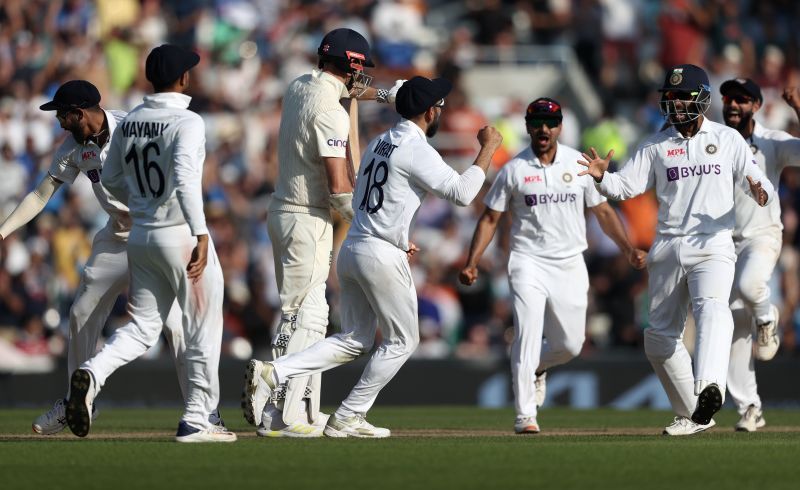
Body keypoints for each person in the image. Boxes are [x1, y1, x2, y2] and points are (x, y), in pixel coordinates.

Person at [243, 76, 503, 438]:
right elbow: (462, 193)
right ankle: (348, 415)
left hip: (353, 248)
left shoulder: (381, 141)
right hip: (380, 253)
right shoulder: (417, 149)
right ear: (430, 112)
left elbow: (373, 197)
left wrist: (397, 236)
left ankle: (276, 372)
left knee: (356, 338)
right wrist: (488, 148)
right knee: (402, 341)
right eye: (439, 107)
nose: (441, 111)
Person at [578, 64, 774, 436]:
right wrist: (603, 176)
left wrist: (760, 191)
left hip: (713, 243)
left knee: (712, 308)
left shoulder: (727, 138)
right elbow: (625, 187)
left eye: (684, 96)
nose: (677, 103)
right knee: (658, 339)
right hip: (667, 245)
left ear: (702, 98)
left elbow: (755, 179)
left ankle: (710, 386)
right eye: (672, 96)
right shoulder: (655, 144)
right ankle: (695, 413)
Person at [0, 80, 193, 436]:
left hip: (155, 232)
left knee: (177, 324)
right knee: (80, 313)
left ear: (79, 113)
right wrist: (1, 232)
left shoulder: (130, 128)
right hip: (117, 238)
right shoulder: (72, 147)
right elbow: (41, 194)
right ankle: (77, 400)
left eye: (62, 114)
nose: (58, 121)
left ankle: (199, 411)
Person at [64, 44, 235, 443]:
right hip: (179, 235)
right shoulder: (188, 121)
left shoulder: (133, 119)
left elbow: (110, 179)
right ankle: (198, 418)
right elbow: (186, 179)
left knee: (142, 327)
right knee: (202, 327)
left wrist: (142, 202)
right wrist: (201, 233)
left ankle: (93, 371)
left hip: (141, 237)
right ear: (183, 79)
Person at [241, 27, 403, 438]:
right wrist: (376, 227)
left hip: (287, 213)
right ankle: (281, 414)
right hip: (307, 217)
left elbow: (345, 94)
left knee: (307, 313)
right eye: (360, 69)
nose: (362, 77)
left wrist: (386, 96)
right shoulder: (329, 110)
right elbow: (339, 185)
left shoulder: (300, 85)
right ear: (349, 65)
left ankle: (301, 412)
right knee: (305, 316)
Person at [458, 97, 647, 434]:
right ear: (528, 127)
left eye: (550, 122)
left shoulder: (578, 163)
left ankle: (539, 367)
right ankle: (524, 414)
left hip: (570, 262)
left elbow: (603, 212)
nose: (543, 129)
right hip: (527, 261)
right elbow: (490, 218)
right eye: (537, 123)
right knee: (527, 332)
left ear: (559, 127)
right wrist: (473, 261)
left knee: (571, 345)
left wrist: (628, 249)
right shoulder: (514, 169)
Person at [720, 78, 800, 431]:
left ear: (755, 105)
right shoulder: (713, 140)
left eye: (740, 100)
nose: (732, 105)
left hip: (762, 236)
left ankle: (768, 317)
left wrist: (798, 107)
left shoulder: (771, 140)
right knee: (734, 327)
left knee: (752, 286)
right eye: (728, 99)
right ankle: (749, 408)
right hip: (722, 243)